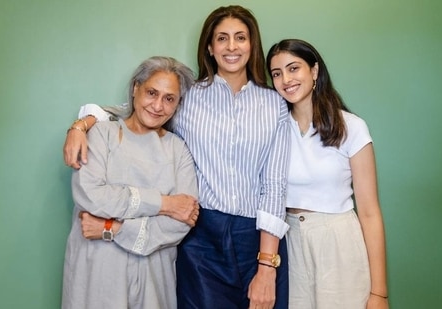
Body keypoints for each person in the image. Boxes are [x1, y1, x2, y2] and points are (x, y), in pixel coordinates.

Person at [62, 5, 290, 309]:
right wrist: (82, 124)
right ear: (209, 47)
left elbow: (274, 185)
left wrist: (266, 266)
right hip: (202, 237)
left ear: (252, 44)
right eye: (222, 38)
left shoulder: (274, 104)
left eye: (240, 38)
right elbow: (140, 110)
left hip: (258, 237)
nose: (232, 47)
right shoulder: (188, 97)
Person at [62, 56, 200, 309]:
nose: (157, 105)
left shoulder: (178, 149)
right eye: (151, 92)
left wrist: (112, 228)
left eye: (169, 98)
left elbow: (181, 220)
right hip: (98, 267)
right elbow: (91, 196)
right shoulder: (102, 134)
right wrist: (164, 203)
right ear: (136, 88)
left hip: (154, 273)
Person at [266, 39, 389, 309]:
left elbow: (369, 212)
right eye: (277, 74)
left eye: (293, 68)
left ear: (314, 71)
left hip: (338, 241)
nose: (286, 79)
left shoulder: (351, 127)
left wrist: (379, 294)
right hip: (289, 242)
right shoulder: (272, 128)